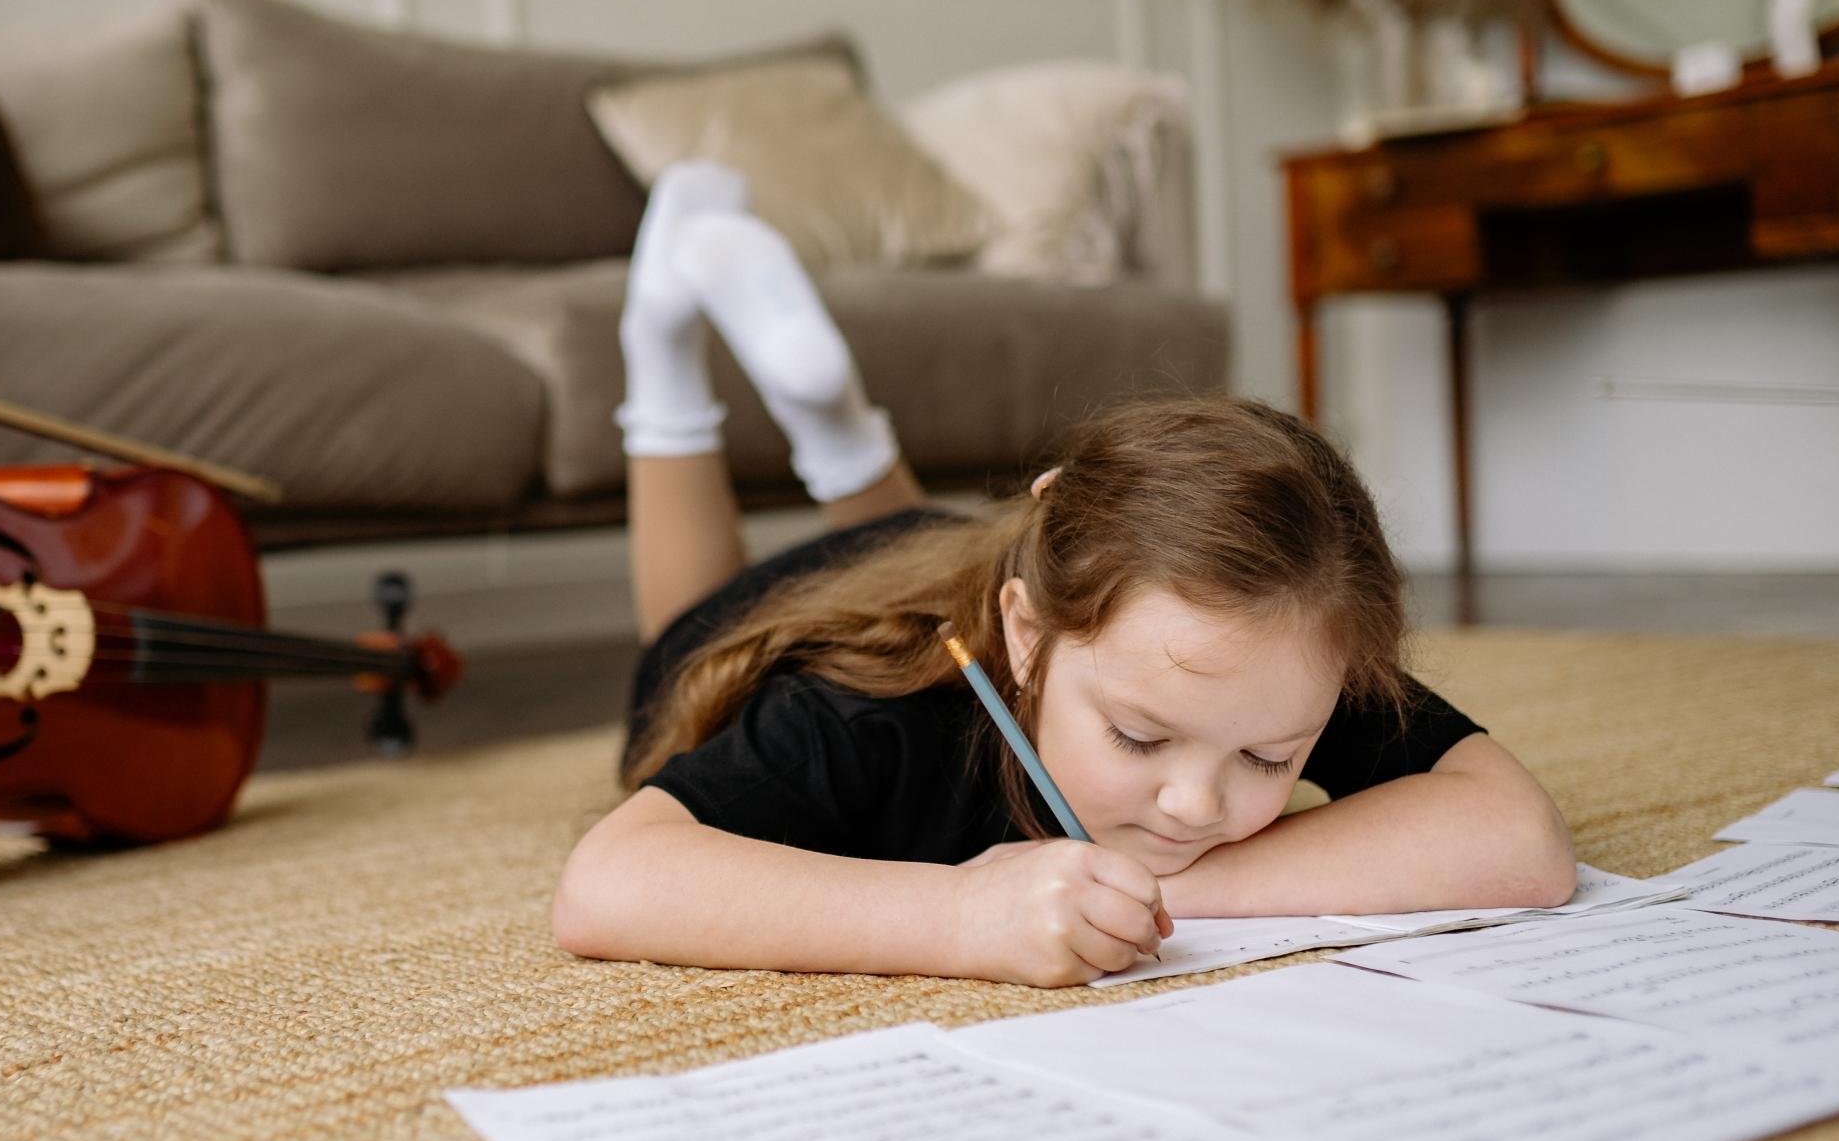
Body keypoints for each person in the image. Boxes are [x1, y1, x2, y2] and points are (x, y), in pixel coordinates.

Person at [553, 161, 1576, 988]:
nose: (1193, 805)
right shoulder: (863, 714)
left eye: (1271, 762)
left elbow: (1517, 839)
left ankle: (838, 432)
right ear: (1028, 632)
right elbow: (606, 883)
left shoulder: (1260, 652)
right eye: (1137, 736)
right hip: (763, 628)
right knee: (688, 623)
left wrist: (1155, 889)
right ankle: (665, 348)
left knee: (928, 538)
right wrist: (958, 915)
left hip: (954, 548)